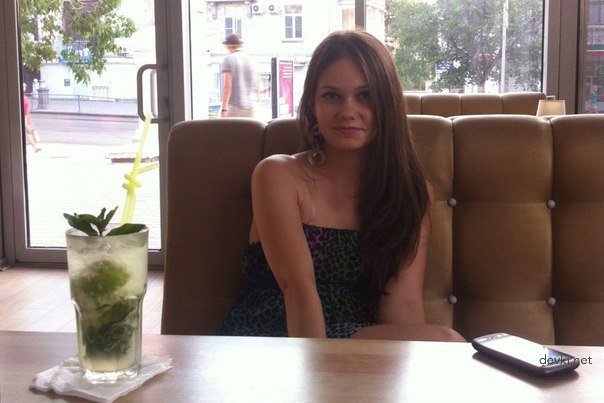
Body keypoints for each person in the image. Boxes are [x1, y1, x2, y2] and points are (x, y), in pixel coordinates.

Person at [216, 31, 464, 342]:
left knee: (445, 343)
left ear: (387, 104)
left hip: (355, 340)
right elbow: (297, 287)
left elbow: (403, 303)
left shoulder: (411, 194)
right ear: (312, 105)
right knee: (445, 341)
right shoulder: (278, 174)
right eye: (332, 96)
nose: (348, 111)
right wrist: (320, 369)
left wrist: (408, 361)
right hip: (277, 335)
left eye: (365, 96)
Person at [220, 34, 258, 118]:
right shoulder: (251, 60)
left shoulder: (228, 59)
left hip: (234, 107)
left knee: (229, 127)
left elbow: (227, 86)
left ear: (229, 45)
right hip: (251, 107)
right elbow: (257, 86)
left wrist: (224, 109)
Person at [23, 82, 42, 152]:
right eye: (24, 86)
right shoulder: (23, 98)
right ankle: (35, 147)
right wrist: (28, 118)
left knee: (30, 132)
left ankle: (35, 147)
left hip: (26, 116)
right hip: (25, 117)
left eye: (25, 86)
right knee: (30, 132)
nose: (25, 88)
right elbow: (25, 110)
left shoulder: (24, 97)